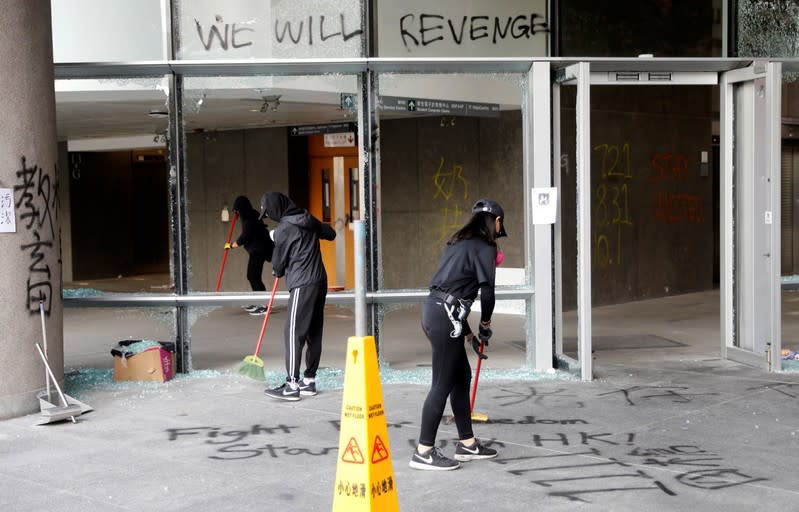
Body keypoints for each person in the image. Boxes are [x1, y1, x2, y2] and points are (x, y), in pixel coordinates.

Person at [409, 198, 507, 471]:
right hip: (445, 315)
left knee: (461, 376)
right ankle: (424, 451)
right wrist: (486, 323)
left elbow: (452, 293)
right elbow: (487, 292)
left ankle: (467, 443)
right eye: (500, 224)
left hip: (439, 311)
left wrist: (470, 336)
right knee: (442, 382)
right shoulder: (486, 246)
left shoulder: (457, 242)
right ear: (496, 222)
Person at [258, 191, 336, 401]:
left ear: (275, 209)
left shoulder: (284, 229)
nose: (270, 217)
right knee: (313, 332)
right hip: (320, 281)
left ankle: (292, 385)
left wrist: (277, 239)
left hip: (302, 283)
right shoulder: (306, 218)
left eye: (269, 213)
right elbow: (331, 233)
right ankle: (309, 381)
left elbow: (278, 267)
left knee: (293, 332)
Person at [227, 196, 274, 315]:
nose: (236, 214)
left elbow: (244, 237)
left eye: (237, 210)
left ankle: (263, 305)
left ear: (241, 209)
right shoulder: (251, 215)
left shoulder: (250, 219)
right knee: (253, 276)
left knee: (253, 276)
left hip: (259, 250)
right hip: (258, 250)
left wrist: (232, 245)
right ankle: (259, 301)